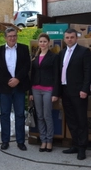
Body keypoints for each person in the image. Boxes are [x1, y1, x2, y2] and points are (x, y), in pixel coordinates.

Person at [0, 27, 30, 151]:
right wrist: (8, 80)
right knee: (4, 114)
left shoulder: (24, 49)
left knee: (20, 114)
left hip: (19, 86)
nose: (12, 38)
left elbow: (26, 66)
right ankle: (5, 140)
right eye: (10, 36)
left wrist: (17, 79)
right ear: (5, 38)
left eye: (14, 36)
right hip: (5, 87)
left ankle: (20, 141)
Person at [59, 28, 91, 160]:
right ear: (64, 39)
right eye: (67, 37)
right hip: (65, 91)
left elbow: (88, 72)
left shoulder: (84, 52)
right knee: (71, 120)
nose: (69, 39)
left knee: (81, 120)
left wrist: (85, 90)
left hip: (79, 92)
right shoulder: (62, 53)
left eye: (72, 37)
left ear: (76, 38)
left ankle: (82, 148)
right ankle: (75, 144)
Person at [29, 33, 59, 152]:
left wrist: (56, 93)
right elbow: (33, 75)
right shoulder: (35, 57)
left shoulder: (54, 57)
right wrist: (30, 92)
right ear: (38, 43)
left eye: (45, 41)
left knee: (47, 116)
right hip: (36, 89)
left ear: (49, 43)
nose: (42, 44)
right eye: (40, 41)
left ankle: (49, 140)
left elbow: (57, 76)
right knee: (39, 116)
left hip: (48, 90)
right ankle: (43, 140)